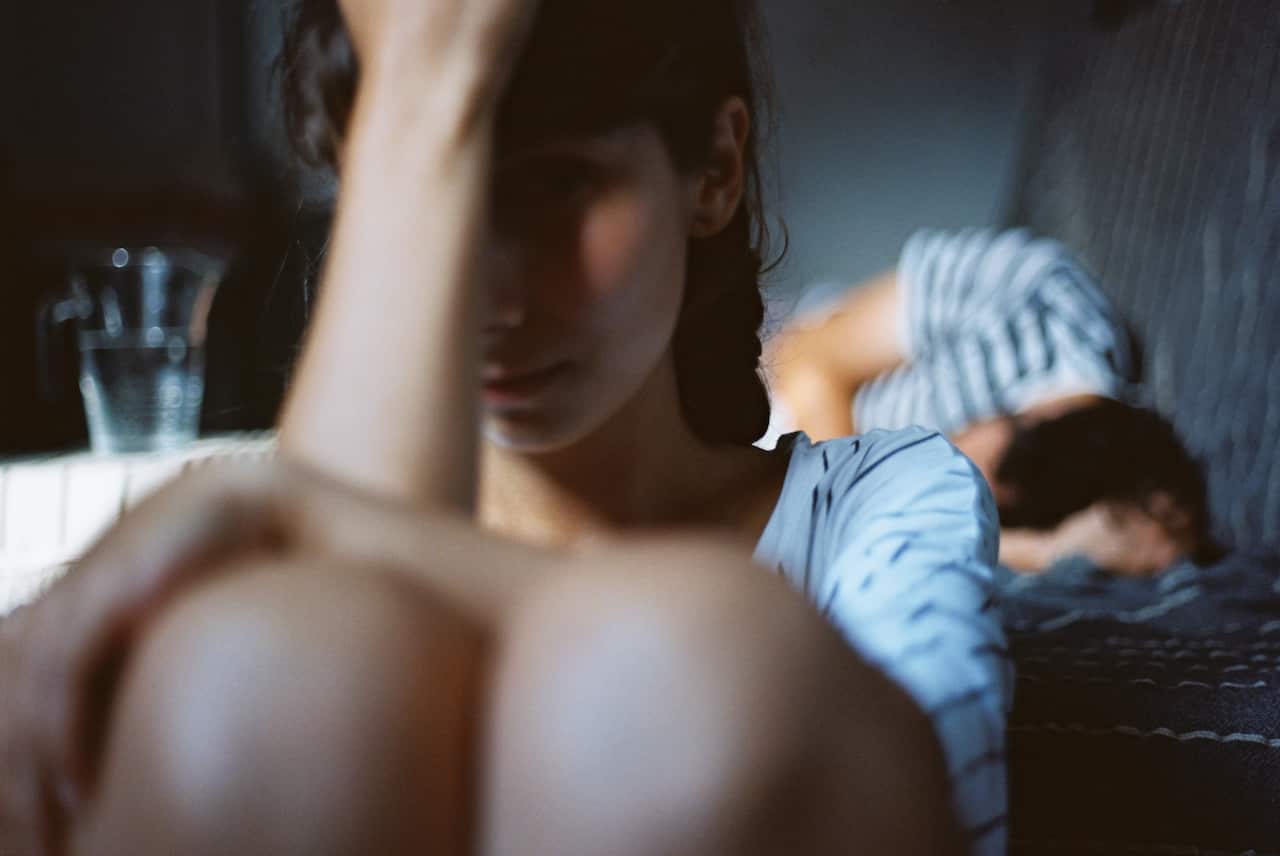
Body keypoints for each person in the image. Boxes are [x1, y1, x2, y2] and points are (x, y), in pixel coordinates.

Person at [0, 2, 1009, 854]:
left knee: (694, 663)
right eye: (438, 196)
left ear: (712, 169)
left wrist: (291, 503)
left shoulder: (877, 493)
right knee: (268, 668)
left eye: (557, 185)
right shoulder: (258, 532)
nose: (492, 297)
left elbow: (942, 799)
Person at [767, 227, 1210, 577]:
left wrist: (1045, 553)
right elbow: (808, 358)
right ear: (1034, 413)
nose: (936, 471)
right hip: (769, 400)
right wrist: (847, 515)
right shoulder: (1034, 295)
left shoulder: (1047, 509)